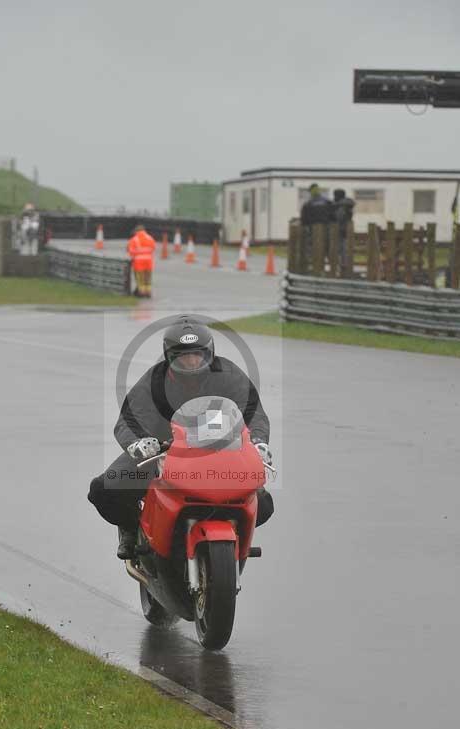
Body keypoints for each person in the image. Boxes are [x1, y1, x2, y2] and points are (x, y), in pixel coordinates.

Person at [88, 316, 275, 559]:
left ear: (210, 353)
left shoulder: (229, 374)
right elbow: (130, 418)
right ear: (169, 356)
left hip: (221, 453)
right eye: (183, 356)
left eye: (198, 355)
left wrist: (258, 441)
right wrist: (139, 443)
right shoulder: (155, 380)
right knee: (105, 489)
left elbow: (252, 412)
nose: (191, 361)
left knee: (263, 502)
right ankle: (131, 528)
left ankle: (234, 534)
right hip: (164, 453)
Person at [300, 184, 334, 267]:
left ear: (311, 192)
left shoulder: (308, 203)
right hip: (326, 228)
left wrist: (305, 225)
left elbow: (304, 218)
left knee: (312, 247)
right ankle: (331, 267)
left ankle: (313, 266)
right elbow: (333, 215)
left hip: (313, 229)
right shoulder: (327, 201)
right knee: (327, 247)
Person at [128, 223, 156, 298]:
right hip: (149, 261)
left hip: (139, 262)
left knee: (140, 278)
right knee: (148, 278)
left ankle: (141, 293)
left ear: (136, 231)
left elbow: (131, 251)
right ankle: (148, 292)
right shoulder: (150, 238)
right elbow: (153, 248)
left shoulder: (134, 239)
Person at [332, 189, 355, 273]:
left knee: (340, 251)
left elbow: (339, 217)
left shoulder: (341, 206)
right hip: (346, 230)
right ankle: (344, 268)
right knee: (344, 251)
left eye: (335, 195)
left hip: (340, 230)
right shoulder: (347, 205)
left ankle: (342, 269)